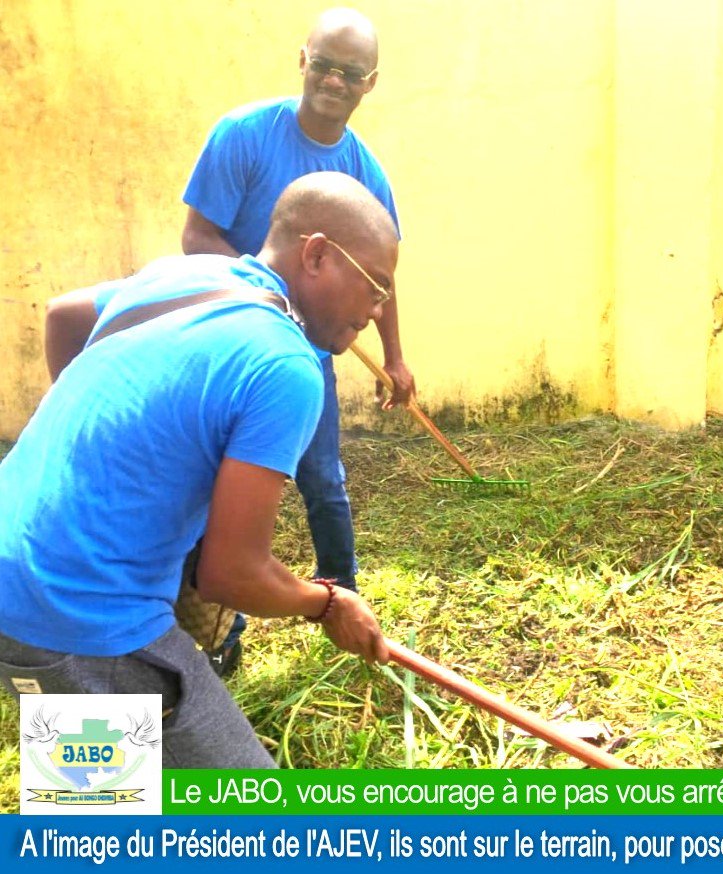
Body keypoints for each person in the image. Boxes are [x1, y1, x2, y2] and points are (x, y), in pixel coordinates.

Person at [0, 172, 396, 767]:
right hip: (80, 608)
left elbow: (63, 316)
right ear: (316, 253)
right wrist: (328, 604)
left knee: (97, 811)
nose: (376, 310)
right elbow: (232, 576)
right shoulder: (285, 364)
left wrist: (121, 456)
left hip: (16, 561)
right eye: (375, 286)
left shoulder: (184, 274)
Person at [181, 9, 414, 671]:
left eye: (351, 73)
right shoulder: (244, 135)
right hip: (231, 347)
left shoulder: (365, 172)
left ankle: (344, 596)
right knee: (207, 490)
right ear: (302, 59)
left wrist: (393, 355)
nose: (334, 81)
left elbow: (380, 276)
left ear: (370, 83)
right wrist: (267, 308)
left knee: (320, 478)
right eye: (325, 64)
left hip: (303, 354)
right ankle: (217, 634)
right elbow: (199, 238)